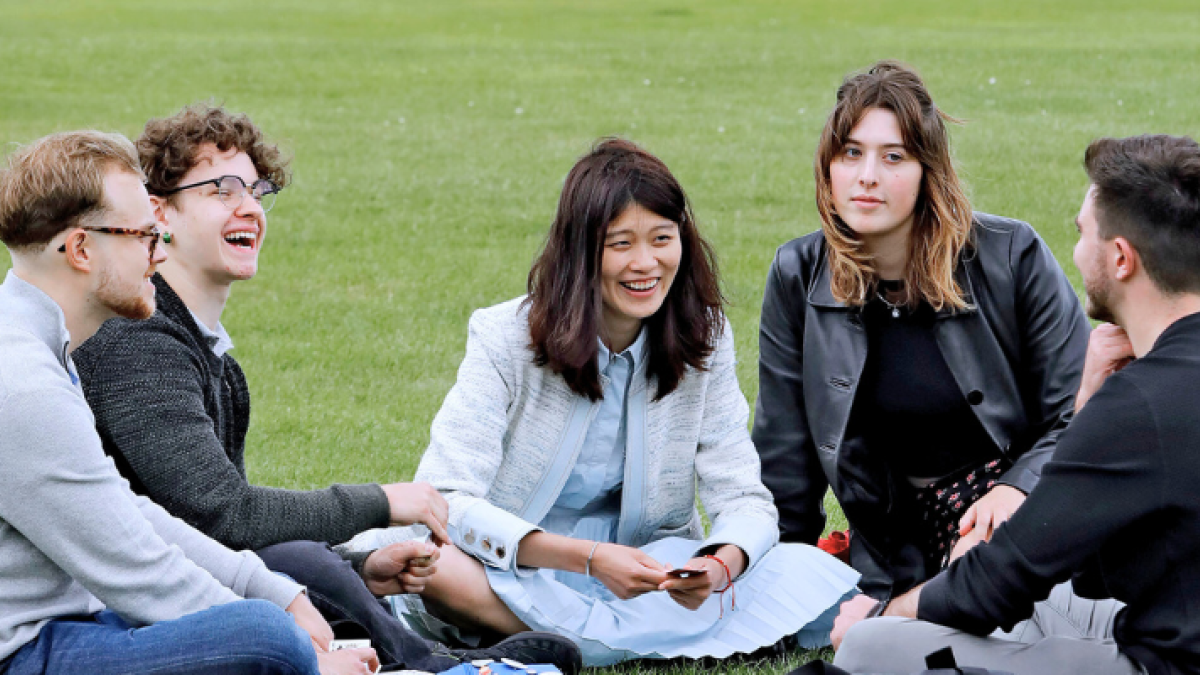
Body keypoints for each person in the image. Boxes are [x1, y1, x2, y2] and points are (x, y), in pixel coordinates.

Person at [70, 105, 581, 675]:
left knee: (307, 561)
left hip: (179, 581)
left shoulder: (197, 347)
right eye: (222, 189)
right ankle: (437, 665)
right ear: (158, 211)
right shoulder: (139, 345)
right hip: (116, 613)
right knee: (296, 560)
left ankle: (426, 657)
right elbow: (226, 519)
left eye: (257, 191)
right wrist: (382, 502)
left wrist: (360, 569)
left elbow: (222, 532)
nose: (249, 207)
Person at [350, 138, 860, 667]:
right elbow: (447, 499)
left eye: (662, 238)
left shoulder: (703, 337)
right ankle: (654, 639)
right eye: (621, 244)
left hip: (648, 572)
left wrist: (718, 565)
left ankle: (582, 642)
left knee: (811, 572)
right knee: (439, 569)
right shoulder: (503, 337)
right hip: (516, 568)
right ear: (581, 252)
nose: (646, 263)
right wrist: (589, 560)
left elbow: (745, 499)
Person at [0, 130, 379, 675]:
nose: (159, 254)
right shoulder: (25, 386)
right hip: (22, 653)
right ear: (82, 249)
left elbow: (124, 508)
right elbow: (134, 569)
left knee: (271, 615)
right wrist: (310, 660)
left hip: (63, 626)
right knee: (266, 640)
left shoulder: (39, 347)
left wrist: (270, 589)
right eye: (145, 236)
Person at [831, 133, 1200, 675]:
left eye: (1081, 234)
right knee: (1053, 601)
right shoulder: (1154, 382)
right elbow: (1090, 562)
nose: (1075, 250)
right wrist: (1089, 403)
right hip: (1173, 610)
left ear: (1120, 258)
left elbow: (992, 588)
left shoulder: (1140, 401)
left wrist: (880, 615)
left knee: (872, 649)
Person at [752, 60, 1091, 600]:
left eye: (894, 157)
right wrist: (769, 581)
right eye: (851, 153)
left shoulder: (1011, 255)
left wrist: (1015, 489)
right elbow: (784, 457)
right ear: (828, 167)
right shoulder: (797, 275)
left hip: (1017, 516)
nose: (867, 176)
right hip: (892, 547)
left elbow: (1082, 411)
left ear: (926, 171)